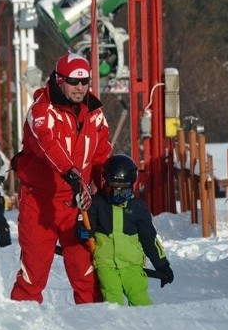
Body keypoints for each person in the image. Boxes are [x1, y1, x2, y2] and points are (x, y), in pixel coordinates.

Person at [10, 52, 112, 304]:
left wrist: (110, 186)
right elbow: (48, 144)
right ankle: (21, 329)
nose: (80, 88)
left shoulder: (95, 114)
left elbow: (101, 155)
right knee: (34, 274)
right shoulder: (42, 111)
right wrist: (71, 173)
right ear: (59, 80)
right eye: (73, 82)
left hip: (77, 204)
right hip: (40, 203)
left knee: (86, 274)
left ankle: (98, 328)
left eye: (85, 82)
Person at [77, 154, 174, 305]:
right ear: (104, 183)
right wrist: (83, 233)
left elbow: (149, 238)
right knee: (112, 298)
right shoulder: (97, 203)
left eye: (122, 191)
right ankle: (116, 327)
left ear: (132, 187)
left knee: (139, 299)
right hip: (106, 264)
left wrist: (162, 265)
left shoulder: (137, 207)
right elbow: (86, 228)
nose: (117, 197)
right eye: (112, 190)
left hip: (132, 265)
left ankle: (147, 326)